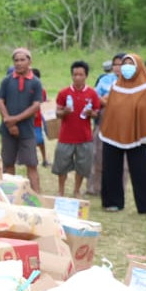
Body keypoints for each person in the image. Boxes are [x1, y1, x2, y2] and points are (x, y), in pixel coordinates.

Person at [99, 53, 146, 215]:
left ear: (139, 66)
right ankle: (112, 202)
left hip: (136, 134)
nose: (127, 67)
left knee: (143, 170)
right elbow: (111, 108)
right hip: (113, 132)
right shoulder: (116, 86)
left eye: (131, 64)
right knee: (110, 168)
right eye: (124, 64)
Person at [0, 48, 43, 193]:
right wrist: (8, 122)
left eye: (22, 60)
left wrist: (14, 119)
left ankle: (37, 198)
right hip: (7, 129)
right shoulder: (7, 80)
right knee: (8, 163)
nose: (19, 63)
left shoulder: (35, 82)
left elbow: (36, 106)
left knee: (31, 164)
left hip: (27, 130)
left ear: (30, 61)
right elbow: (0, 101)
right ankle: (10, 195)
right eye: (16, 60)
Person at [52, 61, 100, 198]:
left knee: (83, 165)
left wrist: (91, 113)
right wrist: (65, 112)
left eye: (81, 74)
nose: (78, 77)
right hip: (66, 136)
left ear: (86, 76)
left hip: (84, 137)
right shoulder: (64, 93)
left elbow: (96, 113)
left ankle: (76, 190)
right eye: (75, 74)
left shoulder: (92, 93)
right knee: (61, 165)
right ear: (71, 76)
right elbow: (57, 113)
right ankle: (61, 190)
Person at [88, 54, 126, 196]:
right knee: (98, 153)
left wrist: (109, 99)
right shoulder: (105, 79)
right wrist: (109, 100)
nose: (118, 67)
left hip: (123, 122)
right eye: (116, 64)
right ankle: (95, 187)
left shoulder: (133, 82)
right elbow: (96, 98)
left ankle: (118, 188)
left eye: (121, 64)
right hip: (103, 120)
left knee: (122, 159)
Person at [31, 67, 50, 168]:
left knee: (40, 140)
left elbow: (43, 103)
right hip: (27, 120)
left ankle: (44, 159)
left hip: (37, 120)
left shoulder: (42, 91)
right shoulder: (25, 90)